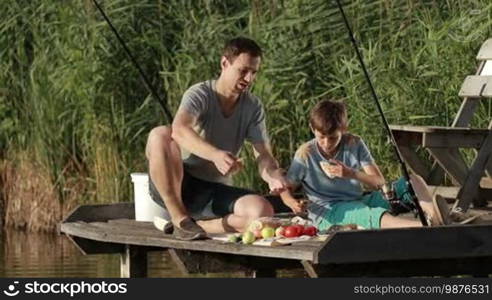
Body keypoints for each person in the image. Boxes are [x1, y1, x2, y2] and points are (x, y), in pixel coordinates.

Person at [145, 37, 288, 240]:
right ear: (224, 63)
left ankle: (197, 226)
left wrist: (272, 175)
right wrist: (215, 155)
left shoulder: (253, 106)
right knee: (160, 134)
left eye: (253, 73)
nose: (248, 79)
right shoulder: (200, 93)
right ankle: (178, 218)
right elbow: (179, 130)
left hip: (213, 190)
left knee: (262, 212)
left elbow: (263, 155)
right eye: (243, 71)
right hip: (178, 184)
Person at [280, 99, 450, 230]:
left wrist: (351, 173)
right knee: (366, 214)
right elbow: (286, 189)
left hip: (359, 200)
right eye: (321, 137)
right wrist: (292, 203)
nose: (326, 143)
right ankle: (422, 228)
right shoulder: (305, 153)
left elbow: (379, 182)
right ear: (312, 128)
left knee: (412, 180)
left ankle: (435, 217)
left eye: (332, 138)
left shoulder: (354, 143)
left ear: (344, 129)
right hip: (329, 213)